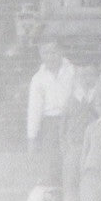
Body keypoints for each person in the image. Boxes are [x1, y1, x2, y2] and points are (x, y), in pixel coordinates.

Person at [26, 38, 74, 189]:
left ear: (61, 52)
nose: (50, 56)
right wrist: (32, 137)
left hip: (71, 121)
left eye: (54, 52)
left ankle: (71, 199)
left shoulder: (72, 71)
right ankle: (55, 200)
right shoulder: (38, 78)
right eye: (46, 53)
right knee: (52, 162)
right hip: (50, 124)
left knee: (71, 160)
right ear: (41, 55)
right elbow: (34, 109)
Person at [60, 63, 98, 201]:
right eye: (82, 75)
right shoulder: (71, 99)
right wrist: (66, 148)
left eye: (90, 74)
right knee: (72, 190)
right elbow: (63, 127)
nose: (86, 79)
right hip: (74, 149)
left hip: (95, 150)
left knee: (91, 191)